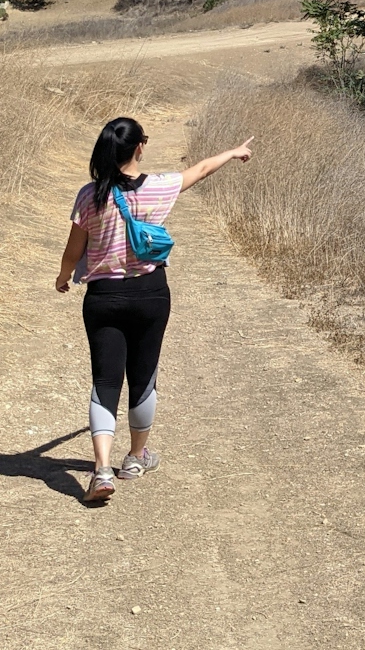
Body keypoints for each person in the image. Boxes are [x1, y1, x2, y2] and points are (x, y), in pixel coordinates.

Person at [55, 117, 254, 504]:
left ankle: (101, 470)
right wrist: (233, 152)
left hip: (103, 297)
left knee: (105, 382)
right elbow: (200, 170)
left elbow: (73, 251)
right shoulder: (160, 188)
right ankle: (134, 458)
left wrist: (63, 277)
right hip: (150, 293)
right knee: (143, 376)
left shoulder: (90, 196)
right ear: (139, 148)